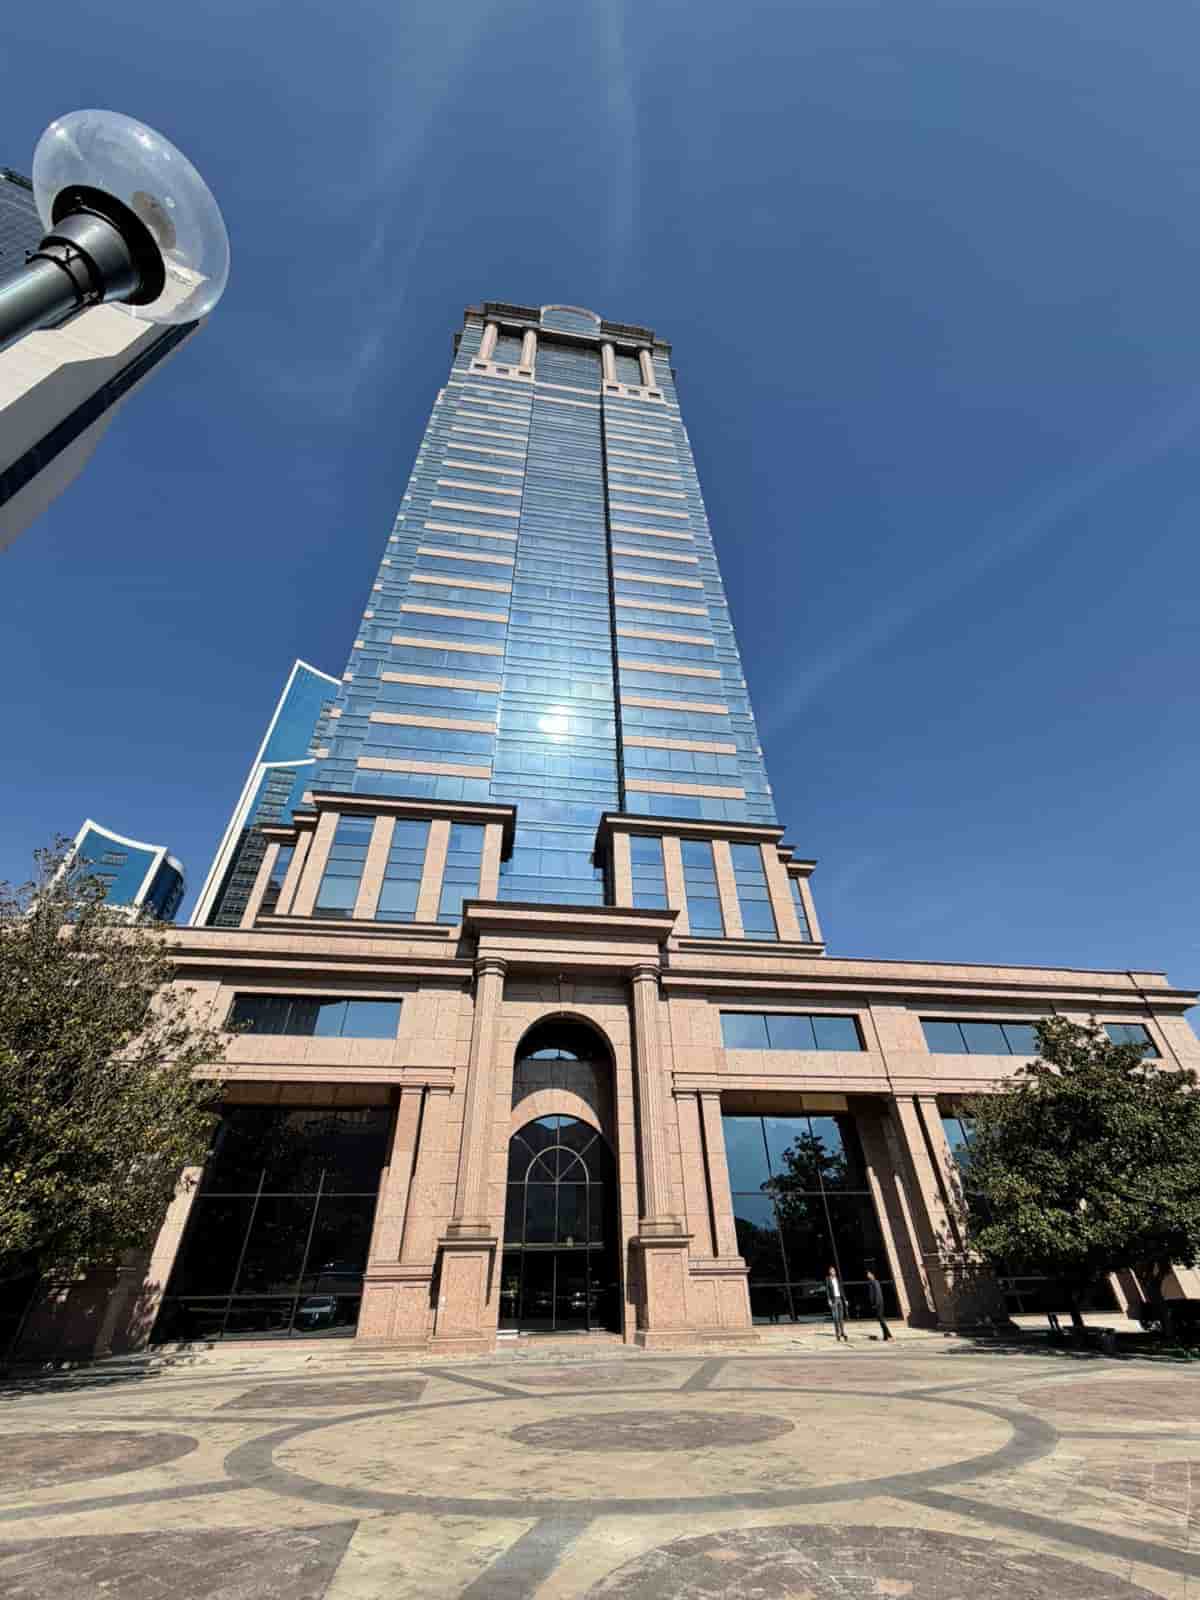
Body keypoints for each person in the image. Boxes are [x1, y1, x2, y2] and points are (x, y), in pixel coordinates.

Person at [867, 1270, 893, 1341]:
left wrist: (876, 1304)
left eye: (869, 1274)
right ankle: (886, 1336)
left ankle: (889, 1334)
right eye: (867, 1274)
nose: (868, 1275)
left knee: (881, 1319)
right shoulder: (872, 1282)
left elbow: (877, 1294)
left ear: (872, 1275)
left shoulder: (875, 1282)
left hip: (878, 1304)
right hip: (878, 1303)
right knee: (880, 1319)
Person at [826, 1265, 848, 1342]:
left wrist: (845, 1299)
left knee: (841, 1317)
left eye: (834, 1271)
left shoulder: (837, 1279)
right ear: (830, 1272)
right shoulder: (828, 1279)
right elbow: (828, 1291)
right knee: (835, 1317)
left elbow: (841, 1289)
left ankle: (842, 1332)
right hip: (833, 1299)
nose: (833, 1272)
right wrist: (829, 1300)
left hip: (839, 1299)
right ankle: (837, 1333)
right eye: (832, 1271)